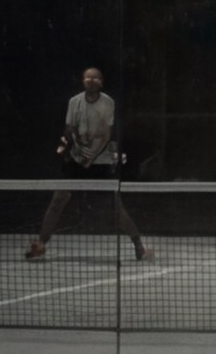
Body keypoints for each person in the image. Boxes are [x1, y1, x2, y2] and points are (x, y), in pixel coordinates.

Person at [23, 64, 146, 263]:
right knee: (58, 200)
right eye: (87, 77)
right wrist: (65, 147)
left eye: (95, 78)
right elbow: (69, 128)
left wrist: (92, 158)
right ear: (83, 81)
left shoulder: (107, 103)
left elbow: (106, 135)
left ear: (101, 82)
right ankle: (41, 244)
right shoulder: (74, 102)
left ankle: (138, 245)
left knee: (115, 208)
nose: (91, 80)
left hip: (100, 163)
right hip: (76, 160)